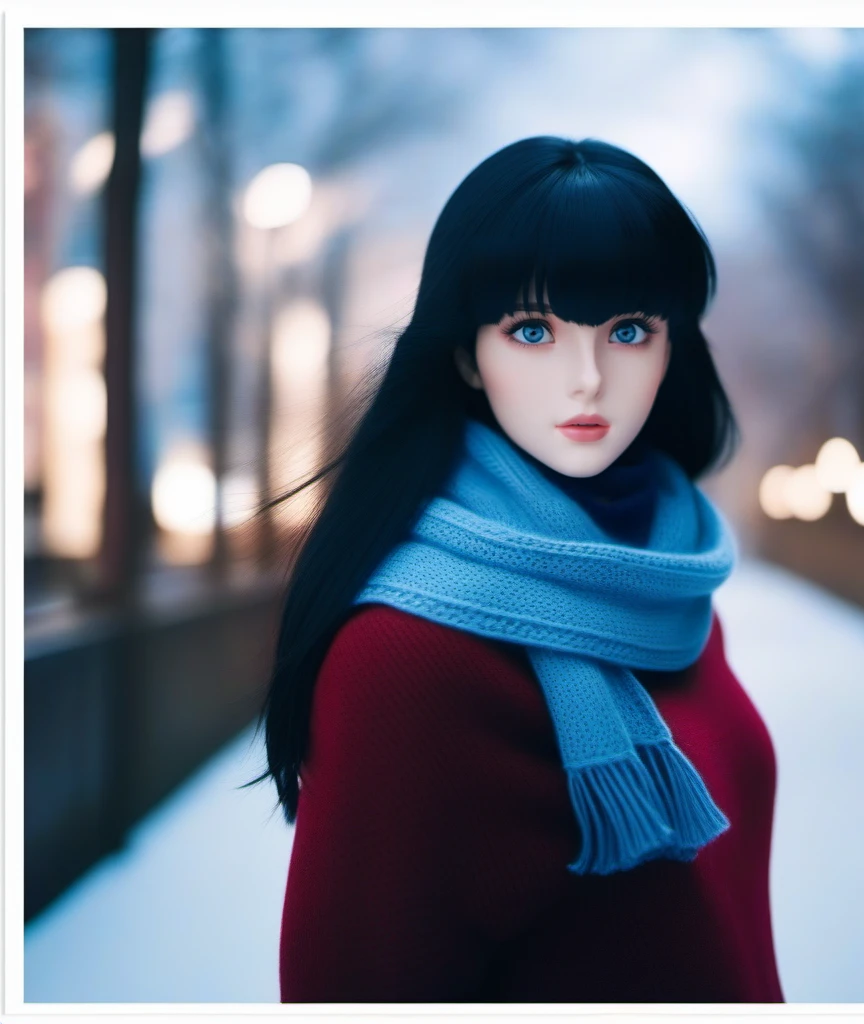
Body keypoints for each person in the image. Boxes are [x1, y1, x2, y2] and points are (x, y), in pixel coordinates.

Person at [247, 136, 785, 1003]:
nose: (588, 379)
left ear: (671, 346)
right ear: (467, 353)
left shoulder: (666, 585)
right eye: (532, 330)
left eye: (629, 329)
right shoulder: (407, 658)